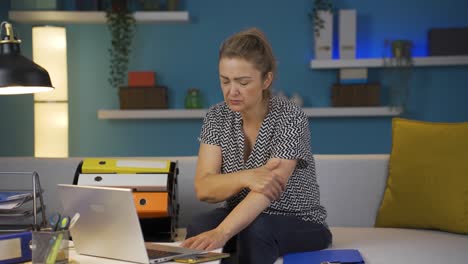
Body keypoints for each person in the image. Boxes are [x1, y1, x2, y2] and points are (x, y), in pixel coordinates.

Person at [181, 27, 332, 264]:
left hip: (299, 221)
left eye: (243, 82)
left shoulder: (290, 116)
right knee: (199, 224)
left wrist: (222, 232)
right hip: (243, 217)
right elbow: (204, 187)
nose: (232, 91)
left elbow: (266, 193)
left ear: (266, 80)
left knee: (256, 229)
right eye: (225, 81)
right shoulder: (216, 116)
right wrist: (246, 177)